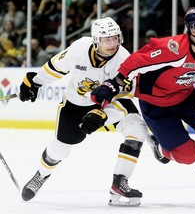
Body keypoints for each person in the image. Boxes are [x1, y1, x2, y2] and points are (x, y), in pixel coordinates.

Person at [90, 7, 195, 204]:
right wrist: (113, 84)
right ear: (192, 30)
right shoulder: (173, 49)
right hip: (156, 105)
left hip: (187, 98)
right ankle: (159, 146)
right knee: (188, 155)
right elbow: (137, 61)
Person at [18, 17, 147, 206]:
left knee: (137, 129)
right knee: (61, 147)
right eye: (106, 39)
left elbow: (126, 96)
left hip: (110, 104)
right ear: (95, 40)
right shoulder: (79, 49)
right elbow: (55, 67)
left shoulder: (124, 59)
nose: (112, 43)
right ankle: (41, 175)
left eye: (115, 38)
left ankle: (119, 182)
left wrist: (103, 114)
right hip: (76, 104)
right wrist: (34, 83)